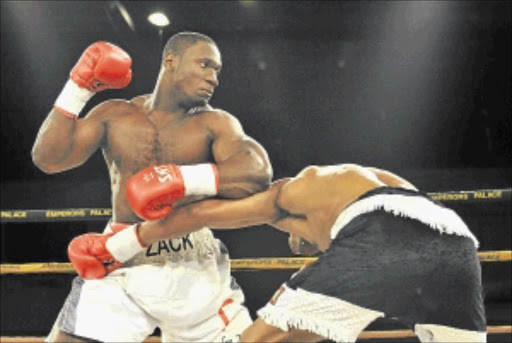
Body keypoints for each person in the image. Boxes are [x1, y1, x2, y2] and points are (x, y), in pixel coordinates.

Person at [31, 32, 272, 342]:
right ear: (170, 61)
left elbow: (256, 172)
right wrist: (77, 89)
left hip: (193, 261)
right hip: (119, 256)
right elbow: (49, 159)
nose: (213, 78)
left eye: (217, 70)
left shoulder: (216, 123)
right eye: (205, 65)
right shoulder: (116, 114)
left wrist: (180, 180)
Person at [71, 163, 487, 342]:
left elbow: (203, 214)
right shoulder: (357, 187)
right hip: (457, 243)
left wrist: (119, 246)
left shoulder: (298, 189)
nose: (295, 244)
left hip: (380, 233)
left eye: (293, 239)